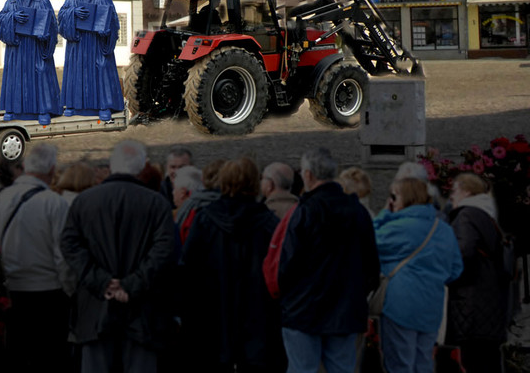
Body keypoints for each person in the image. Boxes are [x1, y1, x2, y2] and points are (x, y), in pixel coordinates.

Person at [61, 139, 177, 373]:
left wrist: (102, 282)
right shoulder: (157, 204)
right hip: (142, 311)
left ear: (113, 165)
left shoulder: (85, 201)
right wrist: (132, 284)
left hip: (96, 308)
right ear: (143, 166)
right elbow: (164, 251)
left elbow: (70, 245)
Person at [276, 147, 380, 373]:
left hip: (304, 310)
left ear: (309, 175)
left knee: (303, 368)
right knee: (342, 368)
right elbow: (371, 263)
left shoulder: (304, 211)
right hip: (345, 308)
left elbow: (287, 264)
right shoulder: (357, 211)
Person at [180, 157, 281, 373]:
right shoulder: (269, 223)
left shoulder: (204, 220)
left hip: (212, 317)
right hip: (258, 317)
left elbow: (188, 269)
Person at [0, 142, 73, 356]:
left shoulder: (1, 199)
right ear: (52, 170)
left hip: (14, 292)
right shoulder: (55, 203)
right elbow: (63, 256)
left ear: (26, 165)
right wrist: (71, 292)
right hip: (48, 294)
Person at [372, 176, 462, 373]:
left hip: (400, 304)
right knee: (424, 361)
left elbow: (368, 240)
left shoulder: (397, 228)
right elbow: (456, 269)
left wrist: (384, 214)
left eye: (394, 196)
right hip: (431, 304)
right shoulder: (444, 230)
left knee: (399, 362)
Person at [444, 172, 510, 373]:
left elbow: (462, 255)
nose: (452, 196)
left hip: (469, 302)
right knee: (487, 358)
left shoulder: (466, 216)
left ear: (467, 192)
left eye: (455, 190)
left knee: (471, 359)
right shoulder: (486, 215)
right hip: (488, 301)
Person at [59, 0, 126, 120]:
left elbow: (113, 20)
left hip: (96, 44)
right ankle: (73, 105)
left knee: (100, 71)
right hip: (77, 45)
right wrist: (73, 13)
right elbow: (60, 20)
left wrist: (107, 33)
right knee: (76, 73)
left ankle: (104, 106)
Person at [0, 0, 61, 125]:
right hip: (16, 50)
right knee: (15, 78)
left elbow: (53, 24)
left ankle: (43, 110)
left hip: (36, 49)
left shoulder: (42, 1)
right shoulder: (9, 3)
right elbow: (0, 22)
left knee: (39, 77)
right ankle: (12, 110)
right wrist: (12, 17)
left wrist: (47, 40)